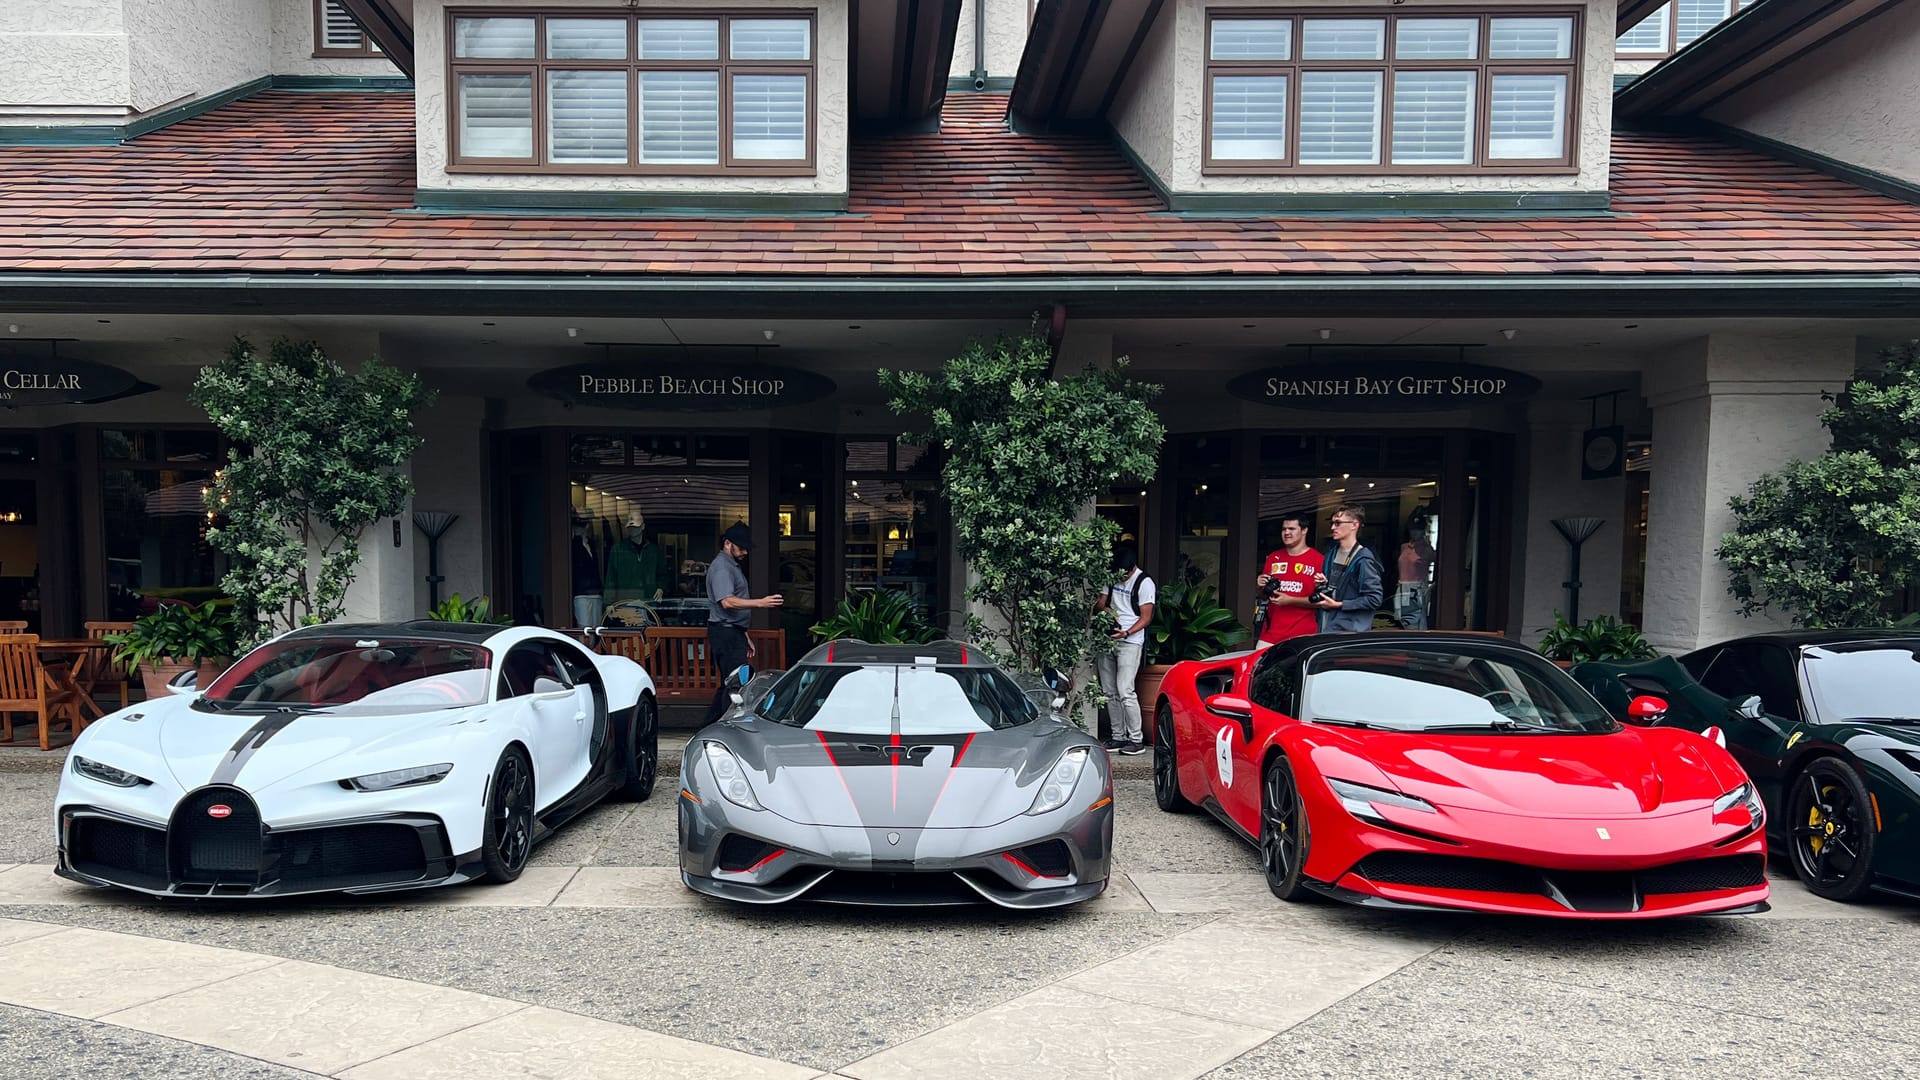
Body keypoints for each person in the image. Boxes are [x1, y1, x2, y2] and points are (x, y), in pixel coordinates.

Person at [704, 523, 782, 723]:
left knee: (729, 683)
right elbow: (727, 601)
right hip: (726, 633)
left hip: (732, 631)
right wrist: (761, 602)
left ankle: (710, 726)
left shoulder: (729, 566)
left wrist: (743, 633)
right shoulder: (722, 568)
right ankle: (725, 728)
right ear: (727, 543)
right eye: (741, 547)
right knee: (735, 685)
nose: (745, 551)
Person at [1094, 543, 1155, 755]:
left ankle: (1136, 739)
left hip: (1131, 640)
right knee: (1108, 690)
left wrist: (1127, 632)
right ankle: (1117, 736)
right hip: (1108, 637)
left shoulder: (1144, 582)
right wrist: (1109, 613)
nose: (1121, 578)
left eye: (1125, 574)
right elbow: (1100, 603)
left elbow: (1146, 617)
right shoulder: (1111, 575)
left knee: (1125, 690)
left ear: (1132, 568)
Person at [1312, 504, 1383, 633]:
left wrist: (1340, 605)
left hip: (1350, 632)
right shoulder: (1330, 554)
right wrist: (1322, 585)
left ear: (1354, 525)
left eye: (1338, 523)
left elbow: (1374, 599)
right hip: (1327, 626)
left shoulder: (1364, 559)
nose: (1333, 527)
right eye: (1332, 523)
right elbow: (1336, 590)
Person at [1255, 514, 1323, 647]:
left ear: (1304, 530)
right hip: (1270, 633)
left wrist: (1290, 600)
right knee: (1258, 667)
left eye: (1291, 529)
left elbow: (1322, 601)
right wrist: (1259, 586)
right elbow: (1263, 596)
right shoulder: (1274, 557)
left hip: (1303, 634)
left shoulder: (1319, 560)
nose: (1286, 532)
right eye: (1284, 529)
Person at [603, 518, 669, 611]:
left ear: (643, 527)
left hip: (648, 602)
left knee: (648, 624)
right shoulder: (618, 549)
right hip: (625, 602)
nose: (632, 529)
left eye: (635, 527)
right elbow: (611, 577)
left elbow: (663, 574)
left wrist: (661, 588)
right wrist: (609, 603)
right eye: (630, 527)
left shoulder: (654, 551)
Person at [569, 517, 603, 628]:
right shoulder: (573, 546)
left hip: (595, 592)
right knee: (585, 629)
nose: (580, 529)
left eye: (582, 525)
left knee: (596, 628)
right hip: (581, 593)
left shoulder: (591, 545)